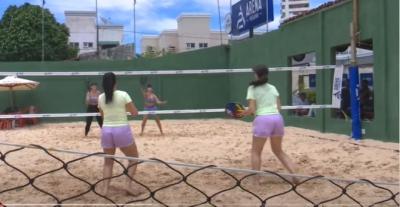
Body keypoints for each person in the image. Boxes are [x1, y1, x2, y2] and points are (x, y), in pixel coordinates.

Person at [240, 64, 297, 183]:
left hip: (263, 120)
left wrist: (243, 113)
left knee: (255, 152)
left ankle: (257, 179)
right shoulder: (273, 87)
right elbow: (279, 107)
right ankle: (295, 174)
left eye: (254, 73)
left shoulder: (252, 88)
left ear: (257, 75)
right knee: (278, 151)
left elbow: (251, 109)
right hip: (277, 119)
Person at [97, 72, 141, 195]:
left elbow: (102, 116)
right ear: (115, 82)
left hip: (106, 130)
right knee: (133, 158)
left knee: (108, 161)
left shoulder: (100, 97)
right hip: (121, 129)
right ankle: (127, 185)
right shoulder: (123, 94)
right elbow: (134, 113)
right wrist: (124, 108)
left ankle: (105, 189)